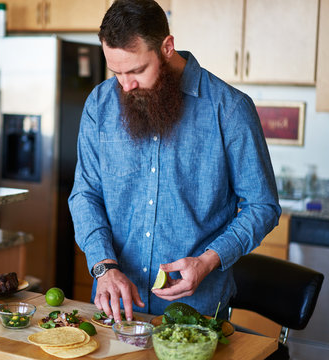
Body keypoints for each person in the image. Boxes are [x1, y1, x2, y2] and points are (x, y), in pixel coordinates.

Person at [68, 0, 281, 323]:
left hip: (198, 312)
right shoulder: (100, 104)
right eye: (117, 72)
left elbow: (262, 205)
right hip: (116, 307)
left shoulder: (230, 109)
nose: (125, 86)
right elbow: (85, 194)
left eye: (137, 70)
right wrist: (103, 266)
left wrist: (208, 261)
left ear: (167, 47)